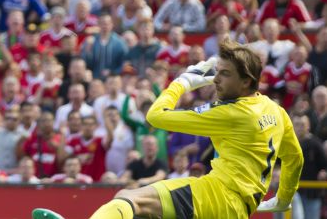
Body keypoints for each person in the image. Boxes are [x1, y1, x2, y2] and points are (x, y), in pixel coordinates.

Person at [33, 40, 303, 219]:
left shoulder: (231, 113)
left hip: (215, 196)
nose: (215, 80)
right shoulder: (275, 111)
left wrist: (182, 83)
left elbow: (155, 116)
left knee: (128, 199)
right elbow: (294, 159)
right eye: (217, 72)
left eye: (225, 74)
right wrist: (283, 198)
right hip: (237, 209)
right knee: (142, 213)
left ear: (246, 81)